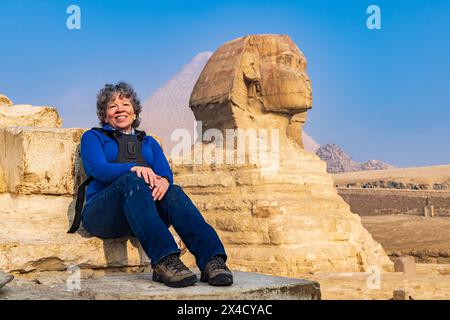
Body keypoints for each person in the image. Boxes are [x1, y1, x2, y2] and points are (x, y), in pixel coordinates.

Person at [78, 82, 233, 288]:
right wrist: (133, 168)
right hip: (103, 214)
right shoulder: (93, 137)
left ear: (134, 112)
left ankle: (212, 260)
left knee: (173, 191)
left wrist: (164, 181)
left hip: (141, 214)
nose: (120, 109)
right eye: (112, 106)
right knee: (131, 180)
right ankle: (164, 260)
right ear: (105, 116)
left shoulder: (148, 142)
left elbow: (165, 173)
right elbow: (97, 168)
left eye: (125, 104)